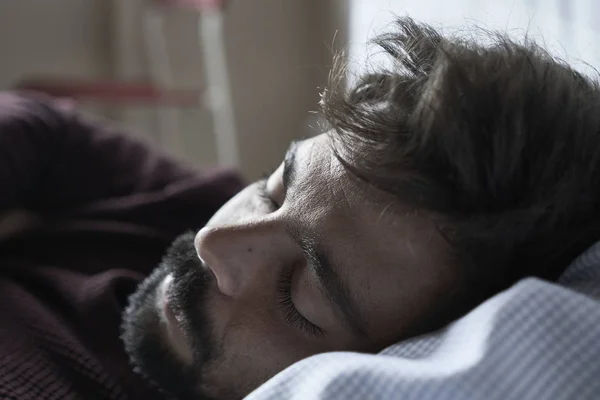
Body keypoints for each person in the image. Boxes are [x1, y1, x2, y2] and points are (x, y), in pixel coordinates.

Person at [2, 16, 600, 400]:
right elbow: (47, 129)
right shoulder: (203, 213)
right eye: (275, 186)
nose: (217, 241)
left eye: (300, 292)